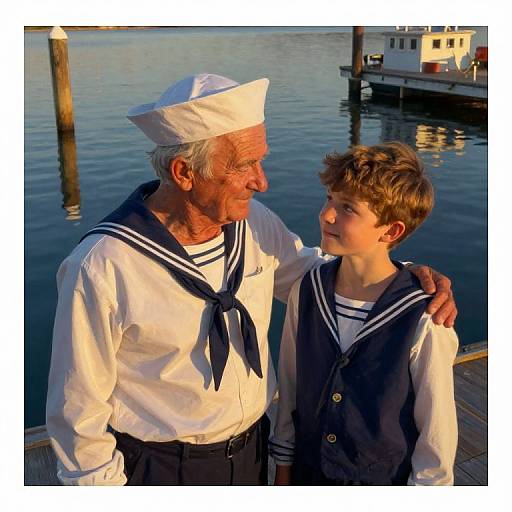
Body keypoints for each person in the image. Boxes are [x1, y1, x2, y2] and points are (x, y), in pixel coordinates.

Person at [46, 74, 457, 486]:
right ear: (184, 172)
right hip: (160, 470)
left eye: (260, 160)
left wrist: (409, 278)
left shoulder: (256, 224)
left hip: (254, 456)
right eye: (244, 165)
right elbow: (77, 413)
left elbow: (321, 276)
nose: (262, 181)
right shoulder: (102, 266)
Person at [270, 142, 459, 486]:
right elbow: (290, 391)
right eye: (329, 198)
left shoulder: (425, 319)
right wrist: (283, 471)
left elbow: (437, 439)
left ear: (391, 230)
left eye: (347, 208)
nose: (327, 214)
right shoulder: (307, 290)